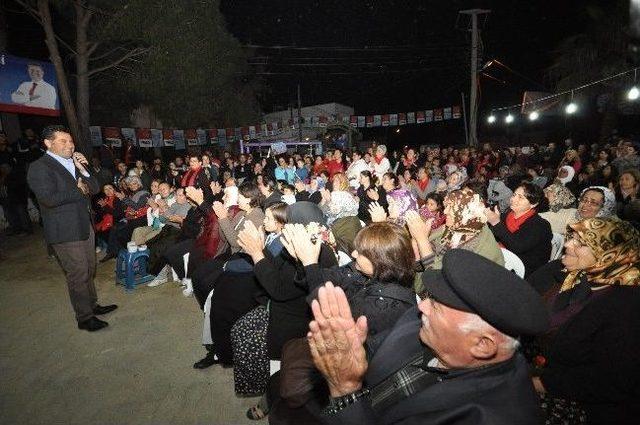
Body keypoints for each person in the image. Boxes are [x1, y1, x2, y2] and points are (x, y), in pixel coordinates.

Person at [306, 249, 549, 424]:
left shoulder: (494, 416)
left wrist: (345, 390)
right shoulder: (423, 322)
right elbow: (376, 349)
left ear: (483, 345)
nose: (422, 306)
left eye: (437, 306)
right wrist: (347, 352)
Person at [527, 218, 640, 424]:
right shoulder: (576, 277)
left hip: (588, 406)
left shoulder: (627, 306)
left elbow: (611, 382)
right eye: (572, 238)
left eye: (581, 242)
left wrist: (536, 383)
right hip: (546, 371)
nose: (568, 244)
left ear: (610, 253)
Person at [27, 125, 117, 331]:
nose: (70, 145)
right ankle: (84, 318)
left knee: (89, 269)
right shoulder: (40, 167)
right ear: (48, 143)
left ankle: (92, 305)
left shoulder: (74, 164)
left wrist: (83, 169)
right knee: (78, 272)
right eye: (63, 141)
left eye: (71, 141)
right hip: (64, 230)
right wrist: (79, 190)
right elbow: (48, 199)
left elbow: (94, 188)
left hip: (84, 225)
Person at [485, 182, 552, 277]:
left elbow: (517, 246)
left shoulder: (540, 225)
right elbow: (496, 235)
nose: (513, 199)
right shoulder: (508, 215)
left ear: (533, 204)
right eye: (514, 195)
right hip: (505, 257)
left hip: (524, 269)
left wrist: (496, 223)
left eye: (520, 197)